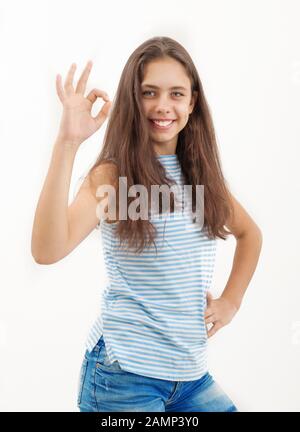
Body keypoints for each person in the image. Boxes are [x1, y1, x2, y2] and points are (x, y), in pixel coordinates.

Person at [31, 36, 263, 412]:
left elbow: (250, 233)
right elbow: (46, 250)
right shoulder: (112, 177)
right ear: (132, 101)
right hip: (124, 376)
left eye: (176, 94)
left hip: (190, 376)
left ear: (193, 102)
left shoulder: (202, 177)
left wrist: (231, 301)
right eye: (149, 93)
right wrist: (67, 144)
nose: (162, 106)